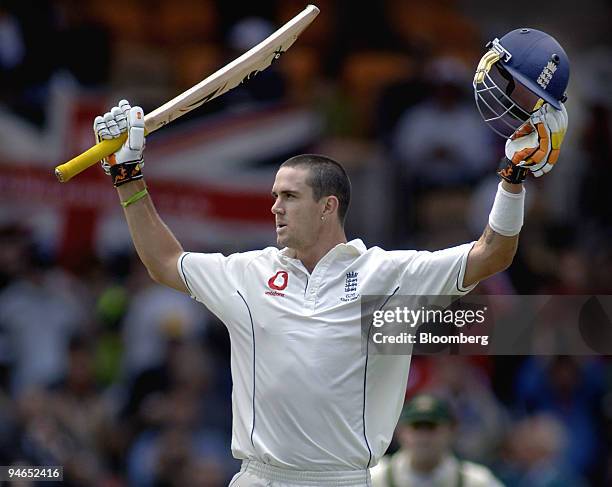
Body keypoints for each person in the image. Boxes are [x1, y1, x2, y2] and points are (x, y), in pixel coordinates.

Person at [92, 27, 569, 487]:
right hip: (256, 478)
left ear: (328, 207)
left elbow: (492, 255)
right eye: (274, 195)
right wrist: (128, 177)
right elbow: (164, 262)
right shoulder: (247, 272)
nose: (274, 207)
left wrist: (511, 179)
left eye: (289, 197)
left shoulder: (388, 274)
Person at [370, 394, 504, 487]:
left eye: (431, 427)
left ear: (451, 431)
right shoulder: (374, 479)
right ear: (400, 431)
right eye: (416, 427)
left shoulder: (476, 481)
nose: (424, 437)